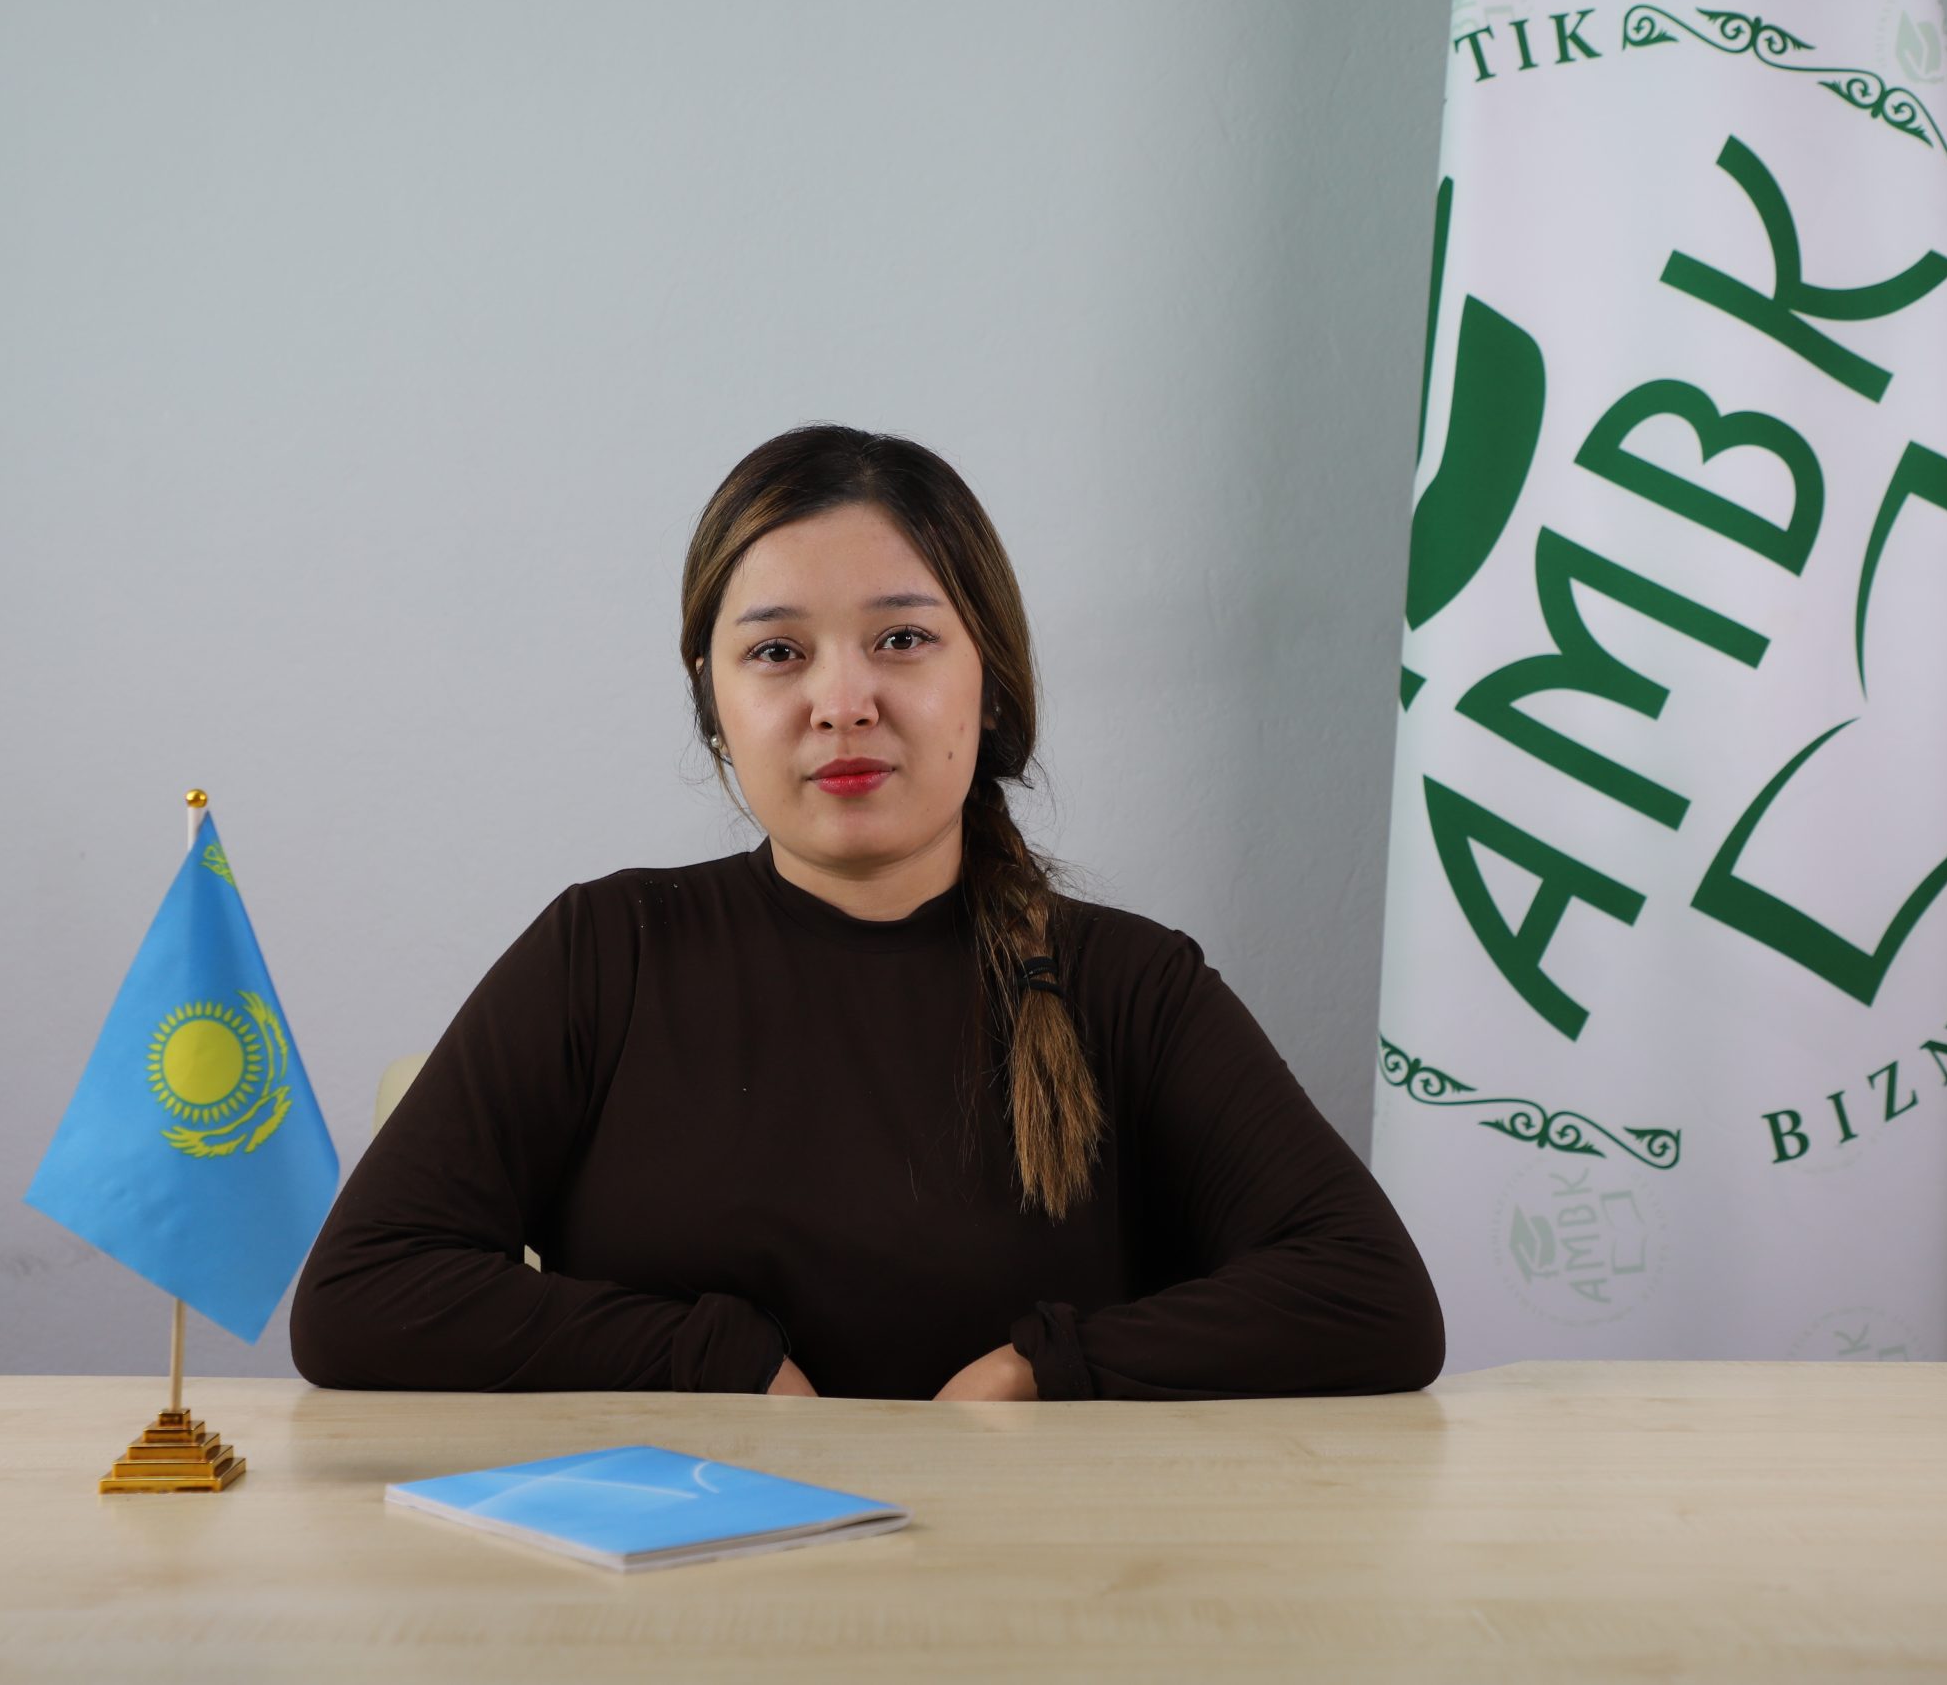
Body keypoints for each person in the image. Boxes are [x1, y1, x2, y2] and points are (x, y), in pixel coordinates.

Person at [289, 424, 1445, 1402]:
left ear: (987, 675)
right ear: (711, 700)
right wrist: (711, 1359)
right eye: (776, 652)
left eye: (902, 639)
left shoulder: (1127, 986)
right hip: (682, 1577)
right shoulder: (606, 952)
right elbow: (362, 1294)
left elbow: (1369, 1294)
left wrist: (1050, 1372)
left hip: (1026, 1575)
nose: (842, 702)